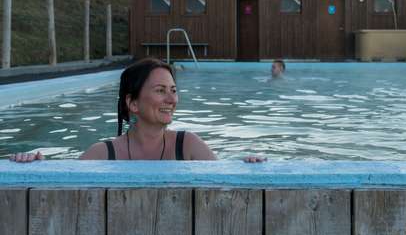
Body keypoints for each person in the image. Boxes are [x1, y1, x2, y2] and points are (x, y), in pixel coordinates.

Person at [10, 58, 265, 162]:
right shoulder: (103, 153)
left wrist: (245, 165)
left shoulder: (188, 145)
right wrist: (36, 165)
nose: (171, 99)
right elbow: (63, 187)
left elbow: (225, 184)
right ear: (132, 103)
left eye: (173, 90)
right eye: (160, 90)